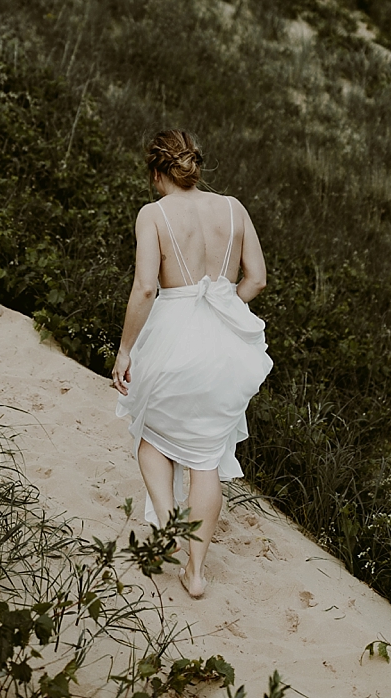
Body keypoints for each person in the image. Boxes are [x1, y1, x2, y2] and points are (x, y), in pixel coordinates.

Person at [112, 129, 273, 598]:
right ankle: (196, 571)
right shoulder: (234, 208)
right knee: (205, 458)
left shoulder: (153, 214)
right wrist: (223, 307)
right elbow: (257, 280)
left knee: (150, 435)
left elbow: (145, 288)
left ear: (157, 172)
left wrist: (125, 350)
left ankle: (167, 527)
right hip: (225, 341)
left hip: (173, 335)